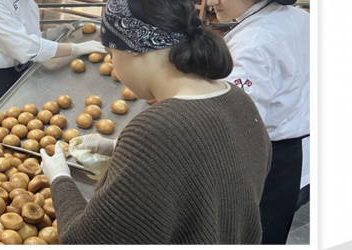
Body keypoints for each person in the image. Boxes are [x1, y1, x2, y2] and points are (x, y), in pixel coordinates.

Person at [40, 0, 271, 244]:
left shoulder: (155, 129)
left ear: (133, 48)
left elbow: (86, 241)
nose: (115, 68)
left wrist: (60, 179)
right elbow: (208, 178)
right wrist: (122, 152)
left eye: (112, 54)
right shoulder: (239, 100)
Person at [208, 0, 310, 244]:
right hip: (295, 154)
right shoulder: (299, 17)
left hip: (266, 162)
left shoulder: (254, 45)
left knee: (251, 236)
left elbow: (238, 127)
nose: (211, 2)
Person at [0, 0, 106, 110]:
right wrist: (75, 48)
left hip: (23, 76)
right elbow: (24, 47)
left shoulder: (27, 2)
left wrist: (49, 35)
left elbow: (27, 37)